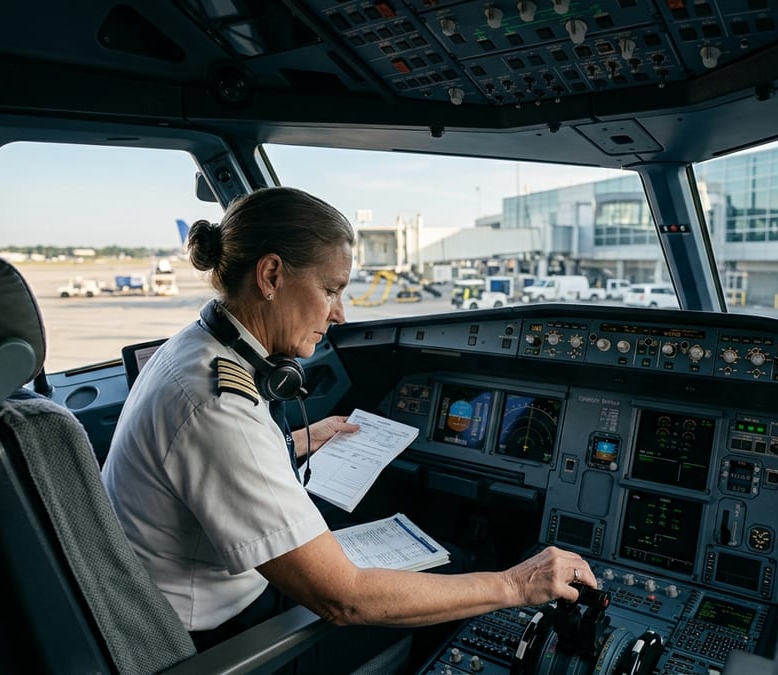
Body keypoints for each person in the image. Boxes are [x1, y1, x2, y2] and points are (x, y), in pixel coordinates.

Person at [101, 186, 598, 658]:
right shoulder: (217, 405)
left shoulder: (193, 349)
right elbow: (345, 599)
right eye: (331, 289)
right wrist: (514, 584)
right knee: (461, 570)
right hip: (220, 637)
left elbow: (209, 462)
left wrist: (296, 440)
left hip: (182, 594)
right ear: (271, 276)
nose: (339, 314)